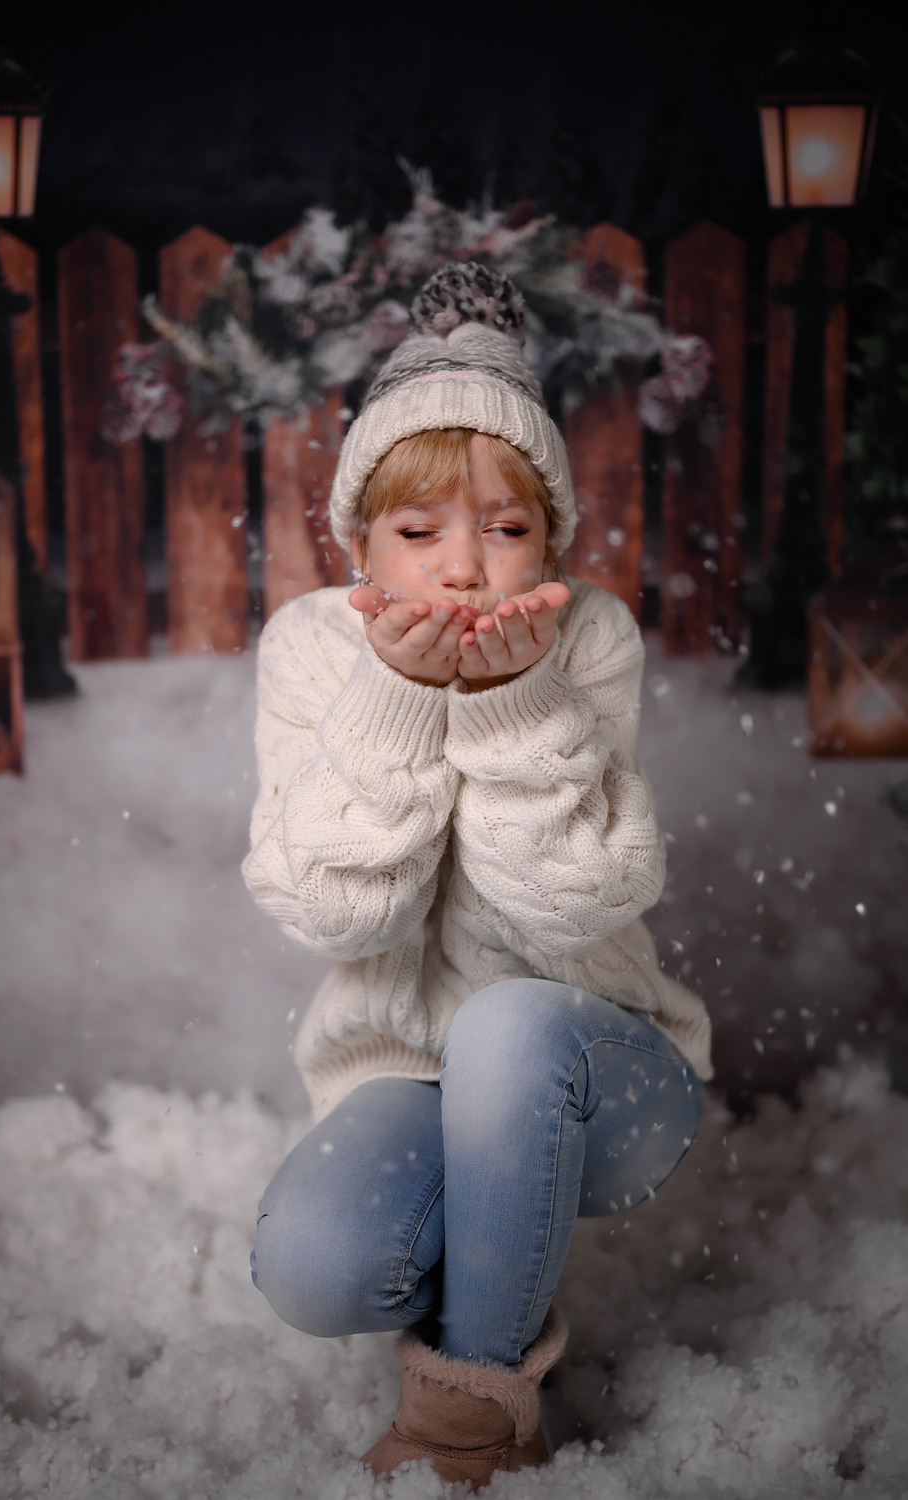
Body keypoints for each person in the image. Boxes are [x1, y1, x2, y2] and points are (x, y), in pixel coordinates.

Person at [243, 261, 712, 1489]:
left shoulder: (587, 636)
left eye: (505, 530)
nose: (463, 568)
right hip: (402, 1070)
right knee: (314, 1266)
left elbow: (581, 902)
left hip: (603, 1075)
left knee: (508, 1026)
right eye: (417, 532)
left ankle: (472, 1418)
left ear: (548, 540)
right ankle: (500, 1238)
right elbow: (335, 908)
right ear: (357, 544)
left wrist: (512, 708)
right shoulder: (308, 648)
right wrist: (398, 703)